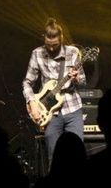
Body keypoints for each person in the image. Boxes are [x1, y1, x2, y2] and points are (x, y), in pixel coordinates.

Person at [22, 18, 86, 162]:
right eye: (48, 45)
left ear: (61, 39)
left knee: (77, 155)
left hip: (73, 109)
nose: (51, 49)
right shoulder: (37, 54)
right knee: (54, 157)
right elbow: (27, 82)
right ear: (43, 38)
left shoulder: (73, 53)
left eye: (55, 45)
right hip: (50, 112)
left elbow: (83, 82)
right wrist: (32, 102)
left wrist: (76, 79)